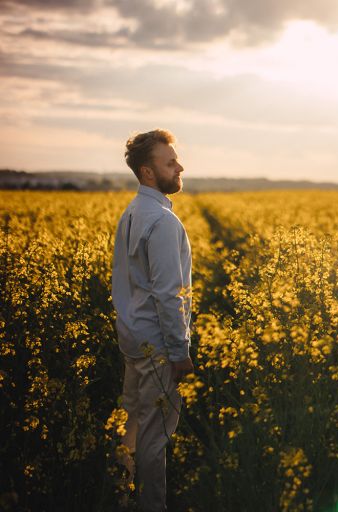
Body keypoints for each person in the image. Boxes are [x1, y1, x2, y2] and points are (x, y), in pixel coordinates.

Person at [112, 129, 195, 511]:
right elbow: (167, 294)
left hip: (133, 339)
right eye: (170, 162)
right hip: (158, 346)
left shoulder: (132, 212)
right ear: (148, 172)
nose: (180, 167)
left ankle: (120, 496)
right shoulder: (162, 222)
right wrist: (179, 352)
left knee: (130, 425)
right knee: (154, 435)